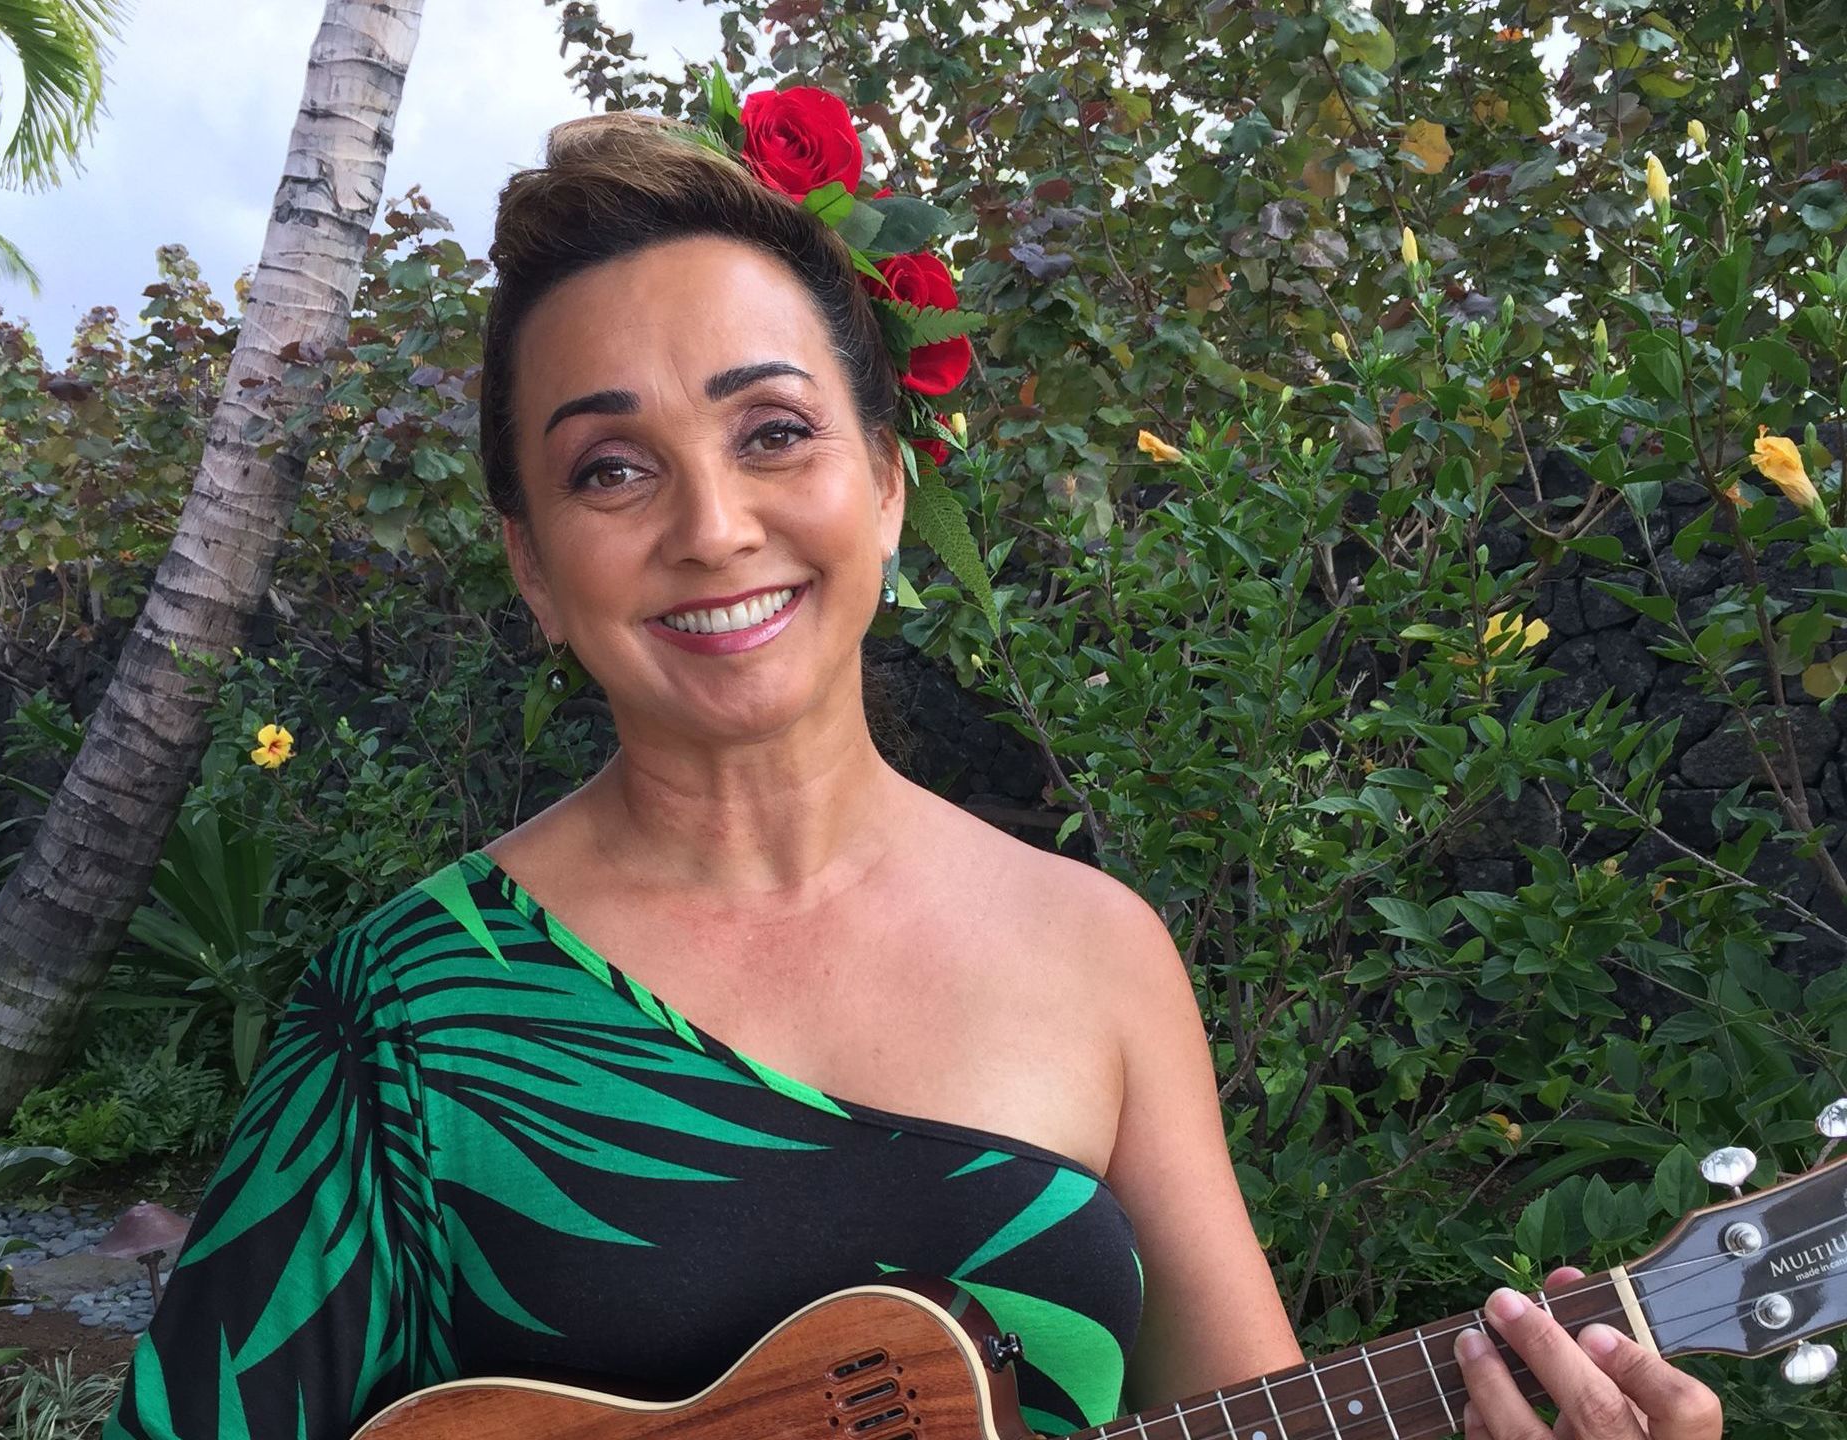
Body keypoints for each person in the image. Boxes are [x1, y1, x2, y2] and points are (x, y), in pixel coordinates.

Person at [106, 105, 1724, 1440]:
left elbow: (1256, 1408)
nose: (712, 527)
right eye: (613, 469)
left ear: (883, 481)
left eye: (773, 433)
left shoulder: (1095, 950)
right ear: (533, 569)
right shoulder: (402, 1013)